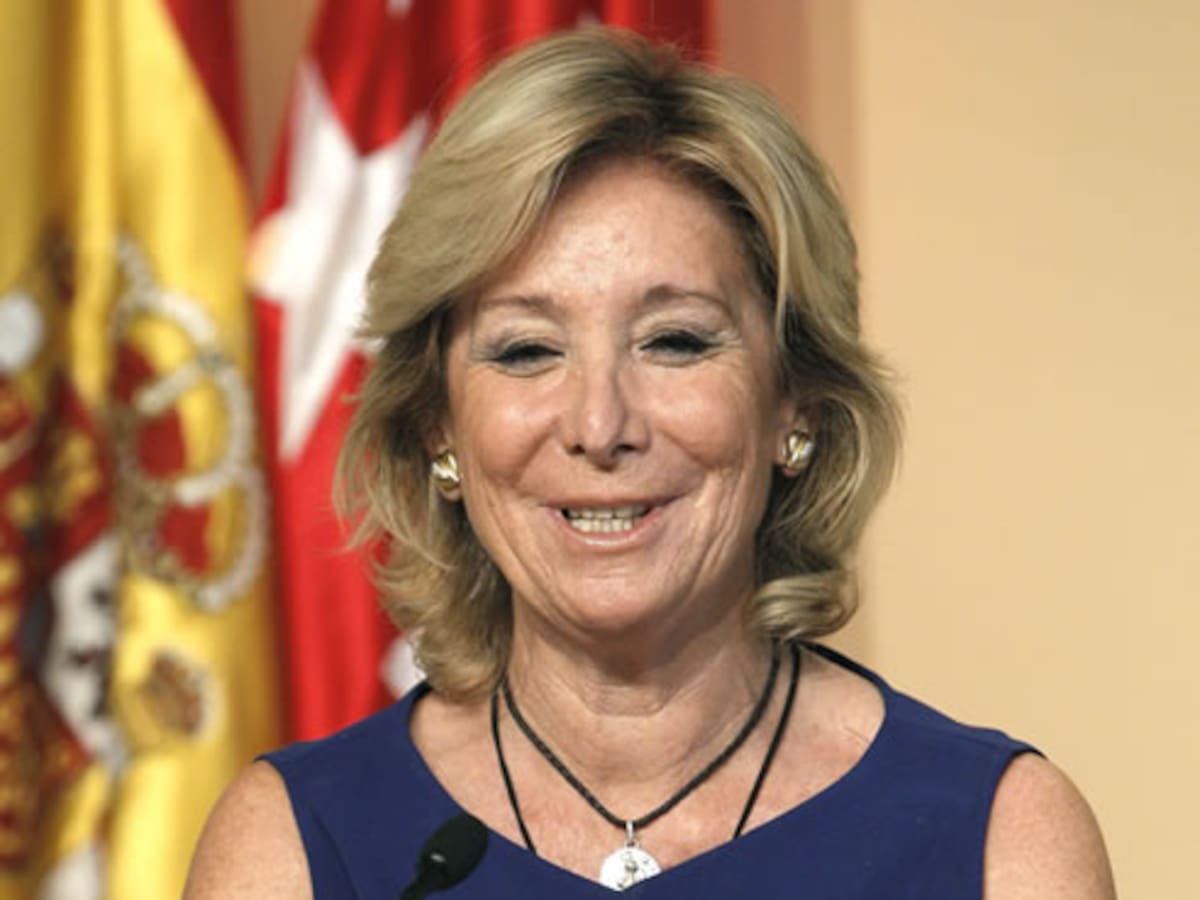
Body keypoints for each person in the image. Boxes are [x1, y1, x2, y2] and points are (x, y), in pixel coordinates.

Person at [185, 27, 1115, 899]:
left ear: (795, 401)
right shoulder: (293, 845)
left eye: (675, 341)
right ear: (438, 427)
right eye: (526, 351)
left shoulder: (998, 839)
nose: (600, 425)